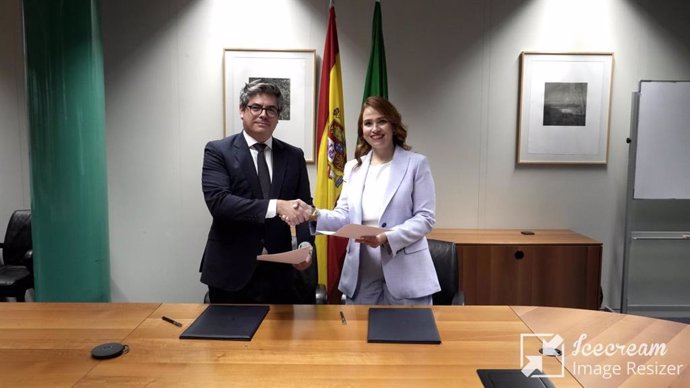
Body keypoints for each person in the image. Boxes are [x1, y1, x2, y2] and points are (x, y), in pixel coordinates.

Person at [304, 96, 440, 305]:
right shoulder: (353, 168)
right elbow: (344, 216)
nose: (374, 128)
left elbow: (425, 218)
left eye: (381, 121)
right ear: (362, 130)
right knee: (358, 337)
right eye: (368, 123)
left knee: (408, 336)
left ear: (393, 125)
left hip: (406, 274)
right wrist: (313, 214)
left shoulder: (416, 164)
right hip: (361, 275)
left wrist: (387, 237)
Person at [200, 80, 314, 304]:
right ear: (242, 111)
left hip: (280, 274)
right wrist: (276, 206)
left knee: (280, 339)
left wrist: (304, 246)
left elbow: (304, 207)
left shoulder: (293, 155)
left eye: (271, 109)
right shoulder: (218, 151)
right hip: (231, 271)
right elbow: (219, 203)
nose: (264, 114)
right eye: (256, 107)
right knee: (226, 338)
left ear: (278, 116)